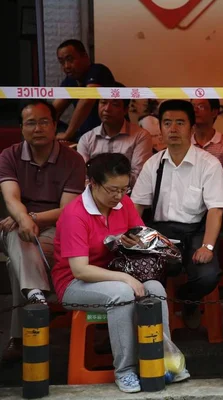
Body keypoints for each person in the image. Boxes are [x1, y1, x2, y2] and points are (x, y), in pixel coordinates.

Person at [51, 153, 187, 393]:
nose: (118, 197)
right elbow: (80, 270)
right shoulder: (75, 214)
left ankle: (163, 360)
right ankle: (125, 370)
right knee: (123, 294)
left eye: (124, 189)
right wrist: (126, 278)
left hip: (115, 272)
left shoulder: (122, 204)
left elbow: (139, 235)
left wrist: (135, 242)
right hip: (75, 284)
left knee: (155, 288)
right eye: (112, 190)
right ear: (91, 183)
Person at [131, 100, 223, 328]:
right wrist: (135, 239)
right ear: (161, 129)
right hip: (161, 232)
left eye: (179, 123)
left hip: (196, 231)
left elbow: (216, 210)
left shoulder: (208, 164)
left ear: (191, 128)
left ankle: (188, 300)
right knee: (149, 268)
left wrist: (208, 247)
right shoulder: (153, 164)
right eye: (167, 123)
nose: (173, 129)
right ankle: (153, 325)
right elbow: (136, 207)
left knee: (208, 276)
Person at [0, 101, 86, 364]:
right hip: (18, 227)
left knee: (19, 260)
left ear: (54, 124)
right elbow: (11, 198)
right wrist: (23, 219)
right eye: (30, 123)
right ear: (21, 128)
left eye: (44, 122)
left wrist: (30, 218)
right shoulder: (9, 155)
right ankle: (38, 298)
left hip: (58, 232)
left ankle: (22, 333)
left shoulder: (73, 159)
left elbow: (67, 211)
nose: (38, 128)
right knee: (18, 239)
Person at [77, 84, 153, 187]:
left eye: (115, 104)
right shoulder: (87, 139)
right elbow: (82, 176)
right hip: (94, 196)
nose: (107, 109)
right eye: (103, 102)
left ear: (125, 109)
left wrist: (106, 187)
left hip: (127, 196)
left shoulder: (140, 136)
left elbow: (138, 176)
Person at [52, 39, 116, 142]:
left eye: (70, 59)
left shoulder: (98, 70)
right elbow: (54, 110)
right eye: (62, 62)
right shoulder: (71, 81)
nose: (66, 66)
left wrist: (67, 134)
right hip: (84, 136)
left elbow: (87, 100)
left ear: (85, 57)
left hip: (107, 136)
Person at [191, 99, 223, 175]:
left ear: (214, 112)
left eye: (201, 106)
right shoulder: (185, 142)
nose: (195, 110)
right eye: (192, 106)